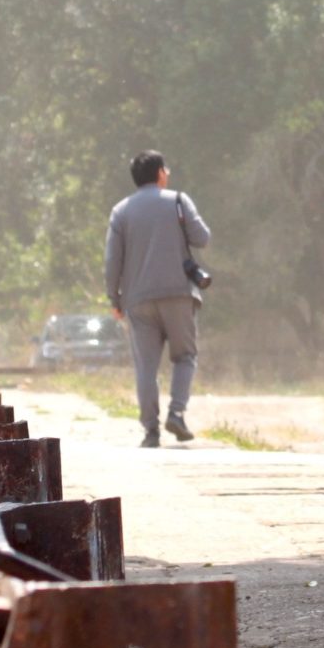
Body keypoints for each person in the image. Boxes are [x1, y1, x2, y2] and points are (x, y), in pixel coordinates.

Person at [105, 150, 212, 449]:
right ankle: (176, 413)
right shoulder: (178, 201)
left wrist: (114, 298)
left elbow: (112, 261)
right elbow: (202, 237)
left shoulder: (121, 211)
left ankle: (151, 431)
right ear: (160, 174)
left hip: (137, 300)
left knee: (146, 367)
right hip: (178, 294)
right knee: (185, 357)